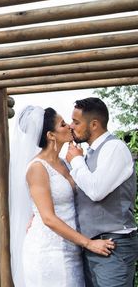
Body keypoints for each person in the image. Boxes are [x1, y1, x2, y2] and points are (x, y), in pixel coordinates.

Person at [9, 105, 115, 286]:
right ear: (51, 135)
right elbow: (48, 218)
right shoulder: (37, 168)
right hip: (48, 252)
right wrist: (88, 243)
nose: (70, 127)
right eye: (63, 124)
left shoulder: (66, 163)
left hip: (71, 249)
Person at [66, 97, 137, 287]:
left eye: (76, 122)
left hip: (113, 246)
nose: (71, 126)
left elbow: (96, 190)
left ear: (94, 124)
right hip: (92, 246)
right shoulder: (87, 154)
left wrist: (76, 161)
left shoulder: (115, 148)